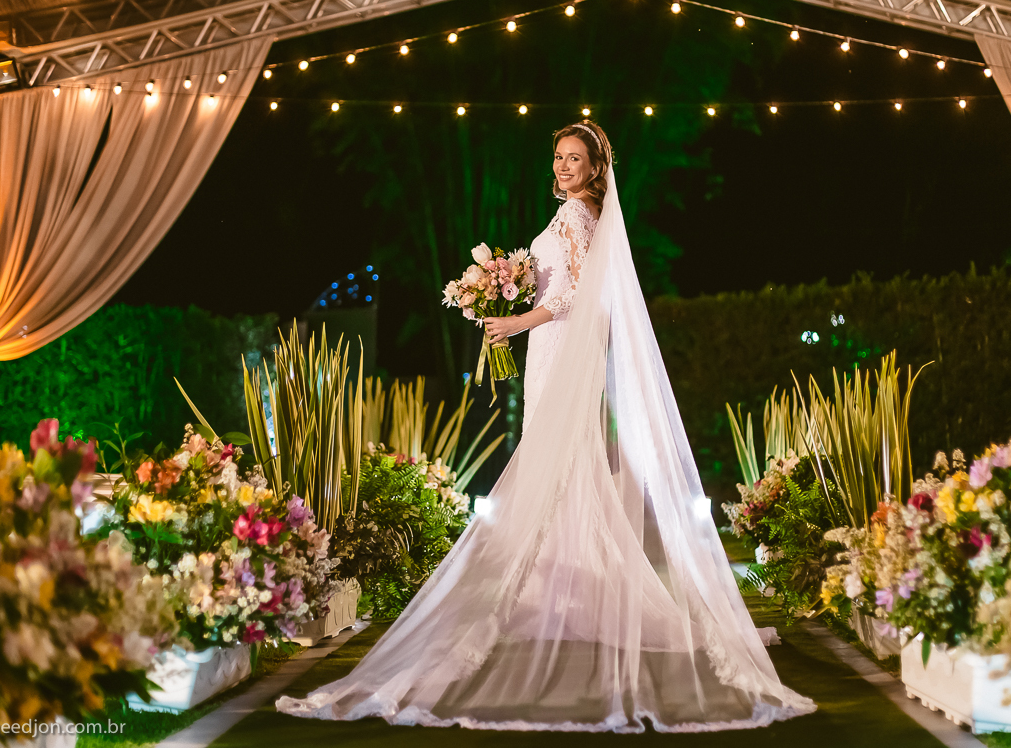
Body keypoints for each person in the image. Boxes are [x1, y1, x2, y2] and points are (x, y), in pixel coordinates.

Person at [276, 121, 815, 732]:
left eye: (574, 158)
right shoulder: (569, 215)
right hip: (548, 351)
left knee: (556, 461)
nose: (563, 166)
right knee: (562, 464)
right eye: (559, 156)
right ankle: (566, 585)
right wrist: (503, 292)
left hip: (559, 348)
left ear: (595, 168)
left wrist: (514, 321)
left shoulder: (581, 218)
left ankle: (564, 589)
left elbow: (577, 297)